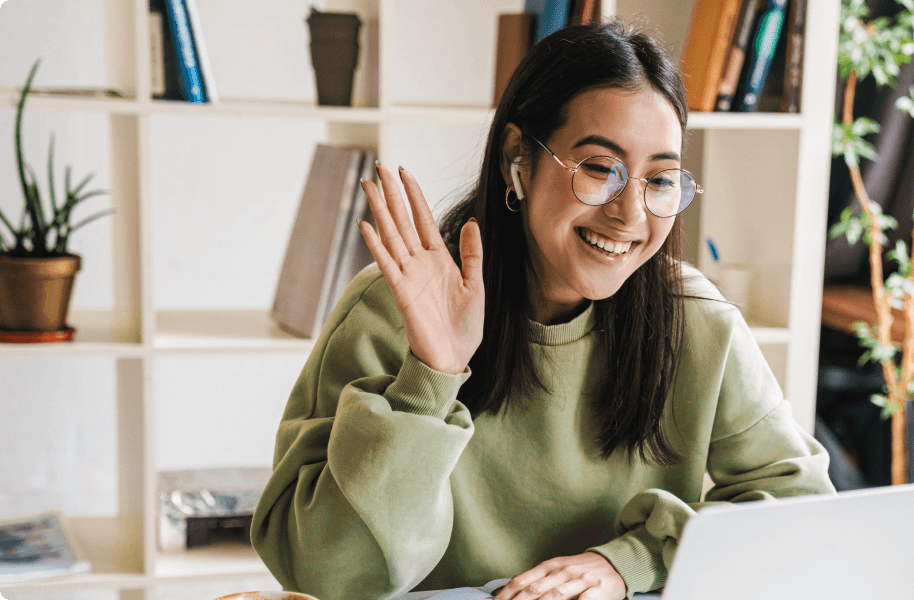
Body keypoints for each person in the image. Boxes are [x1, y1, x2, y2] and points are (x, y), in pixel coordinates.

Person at [251, 20, 834, 600]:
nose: (630, 216)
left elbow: (803, 511)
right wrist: (431, 378)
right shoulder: (392, 309)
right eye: (600, 169)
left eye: (659, 179)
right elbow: (325, 576)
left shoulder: (697, 321)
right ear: (518, 160)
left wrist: (633, 560)